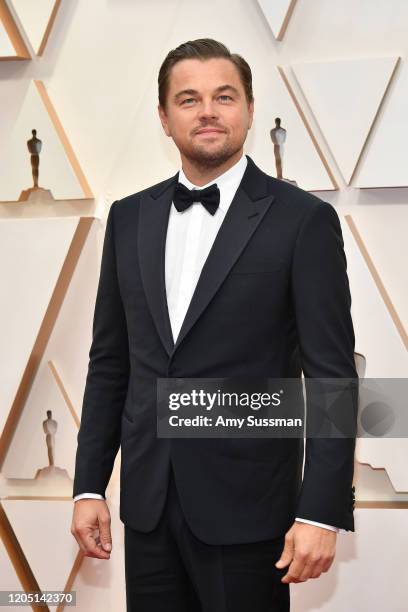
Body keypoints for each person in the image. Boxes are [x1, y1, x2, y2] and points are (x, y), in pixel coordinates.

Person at [71, 38, 358, 612]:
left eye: (224, 96)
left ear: (249, 109)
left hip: (251, 510)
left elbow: (331, 375)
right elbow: (111, 365)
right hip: (148, 507)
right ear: (164, 117)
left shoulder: (304, 221)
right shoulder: (128, 219)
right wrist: (88, 485)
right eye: (189, 99)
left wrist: (321, 509)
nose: (207, 111)